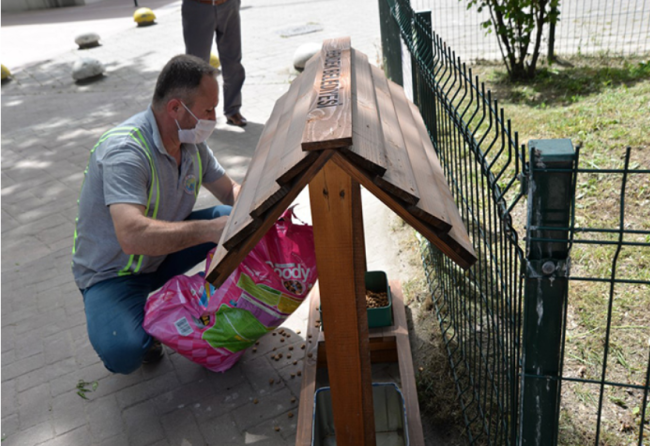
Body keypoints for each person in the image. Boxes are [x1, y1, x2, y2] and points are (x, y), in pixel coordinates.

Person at [72, 55, 241, 375]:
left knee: (232, 217)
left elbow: (229, 190)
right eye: (208, 110)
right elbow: (132, 236)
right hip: (113, 274)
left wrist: (262, 203)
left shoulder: (190, 143)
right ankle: (144, 320)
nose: (213, 118)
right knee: (124, 351)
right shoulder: (125, 151)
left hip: (160, 255)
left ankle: (226, 301)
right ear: (176, 108)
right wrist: (209, 230)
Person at [182, 0, 247, 127]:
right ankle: (196, 115)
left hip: (228, 5)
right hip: (198, 6)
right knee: (196, 67)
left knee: (233, 61)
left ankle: (233, 110)